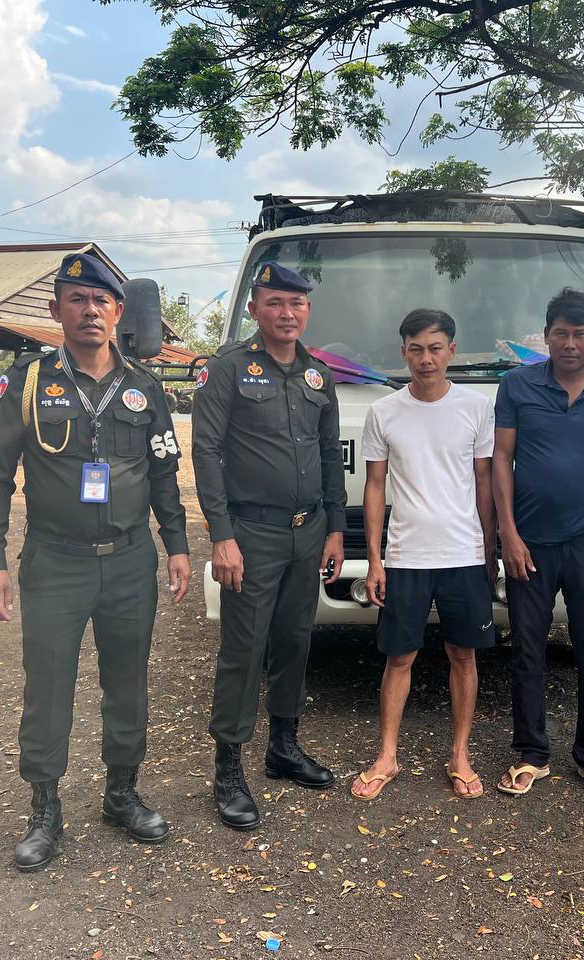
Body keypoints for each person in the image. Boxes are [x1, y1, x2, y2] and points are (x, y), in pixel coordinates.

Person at [0, 253, 191, 872]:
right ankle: (45, 810)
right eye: (77, 299)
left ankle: (122, 795)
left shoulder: (144, 387)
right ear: (56, 310)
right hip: (55, 563)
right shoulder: (26, 383)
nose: (90, 310)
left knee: (128, 681)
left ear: (118, 312)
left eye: (101, 301)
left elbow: (163, 473)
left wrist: (177, 545)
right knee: (47, 686)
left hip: (129, 561)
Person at [191, 262, 346, 831]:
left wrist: (334, 528)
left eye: (296, 303)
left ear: (308, 310)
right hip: (251, 534)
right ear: (255, 308)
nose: (287, 313)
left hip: (309, 531)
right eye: (275, 302)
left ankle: (283, 747)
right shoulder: (227, 369)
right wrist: (221, 535)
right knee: (244, 649)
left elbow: (329, 455)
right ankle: (229, 769)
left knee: (294, 641)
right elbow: (206, 452)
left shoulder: (318, 376)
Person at [492, 288, 584, 801]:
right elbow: (501, 460)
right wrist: (508, 534)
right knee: (527, 649)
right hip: (529, 542)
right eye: (560, 333)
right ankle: (531, 754)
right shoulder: (517, 385)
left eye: (580, 334)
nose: (570, 343)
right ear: (546, 336)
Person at [349, 309, 497, 801]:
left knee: (463, 654)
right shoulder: (384, 412)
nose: (426, 359)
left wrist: (488, 548)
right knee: (399, 657)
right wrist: (375, 559)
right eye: (416, 349)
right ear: (404, 352)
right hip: (405, 555)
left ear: (452, 351)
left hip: (462, 553)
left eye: (435, 348)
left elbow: (483, 481)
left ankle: (460, 754)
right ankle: (387, 755)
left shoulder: (476, 407)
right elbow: (374, 486)